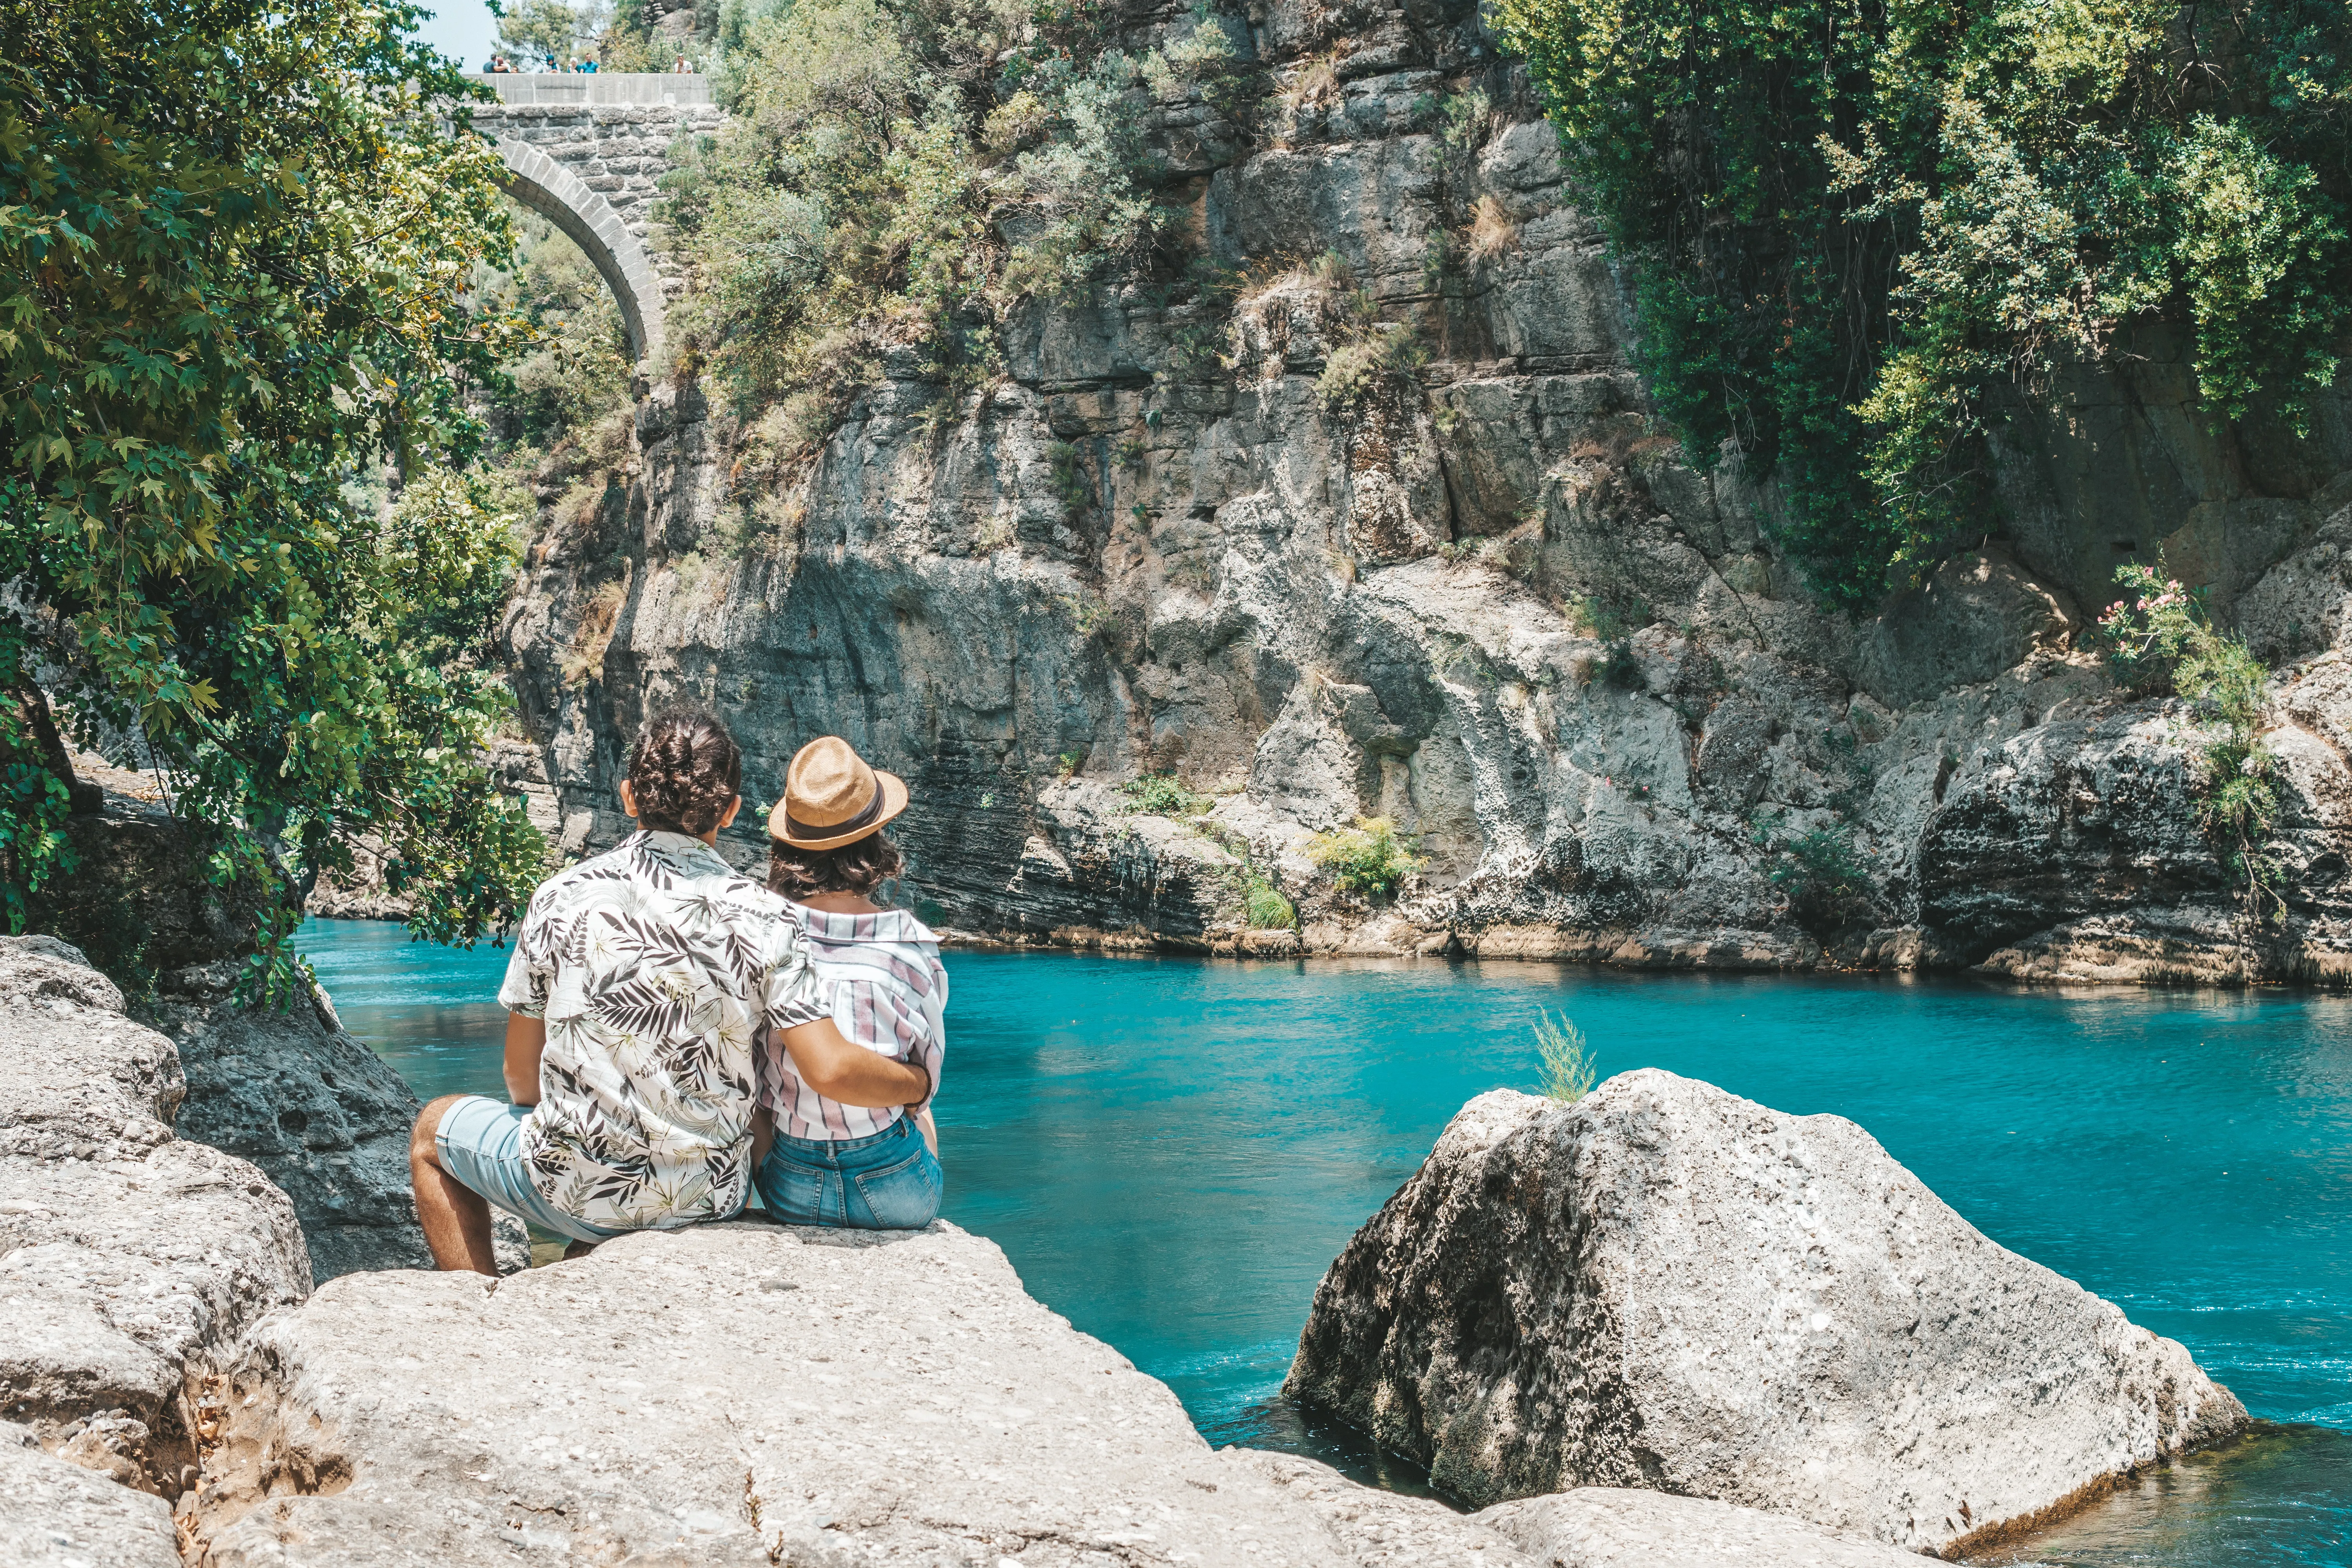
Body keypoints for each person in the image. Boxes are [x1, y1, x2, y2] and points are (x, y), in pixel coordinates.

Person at [407, 711, 931, 1274]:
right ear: (730, 812)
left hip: (573, 1190)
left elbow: (519, 1077)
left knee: (432, 1132)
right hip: (709, 1199)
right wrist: (916, 1083)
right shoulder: (769, 918)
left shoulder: (560, 897)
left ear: (630, 797)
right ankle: (597, 1248)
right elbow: (828, 1070)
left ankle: (480, 1305)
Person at [755, 735, 948, 1230]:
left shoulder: (764, 932)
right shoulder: (911, 942)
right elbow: (924, 1071)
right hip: (898, 1189)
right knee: (923, 1115)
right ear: (876, 840)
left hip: (791, 1185)